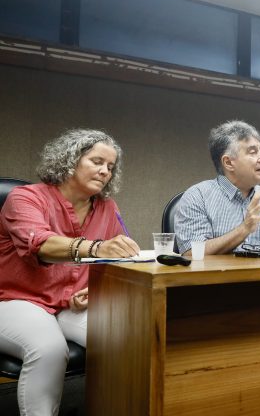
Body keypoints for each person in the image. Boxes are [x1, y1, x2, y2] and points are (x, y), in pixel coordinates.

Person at [0, 129, 140, 416]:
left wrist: (95, 289)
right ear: (70, 160)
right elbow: (42, 244)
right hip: (17, 299)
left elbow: (109, 263)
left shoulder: (107, 207)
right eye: (97, 161)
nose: (105, 172)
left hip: (68, 304)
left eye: (110, 167)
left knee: (126, 338)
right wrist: (98, 247)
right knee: (49, 348)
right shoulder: (24, 198)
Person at [175, 120, 260, 255]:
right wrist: (244, 228)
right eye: (252, 152)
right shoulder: (197, 196)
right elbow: (191, 253)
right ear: (228, 163)